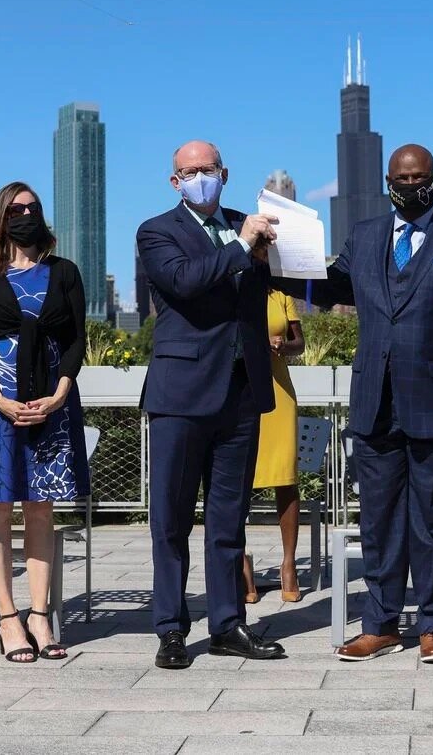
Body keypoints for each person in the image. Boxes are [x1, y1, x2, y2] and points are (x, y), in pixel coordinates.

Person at [279, 143, 433, 664]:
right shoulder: (366, 235)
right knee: (378, 521)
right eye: (401, 178)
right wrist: (279, 260)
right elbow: (330, 289)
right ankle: (380, 624)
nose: (410, 185)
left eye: (419, 177)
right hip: (373, 401)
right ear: (387, 181)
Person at [138, 140, 284, 668]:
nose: (201, 177)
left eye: (209, 169)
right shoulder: (157, 231)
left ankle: (227, 624)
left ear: (226, 173)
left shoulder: (249, 224)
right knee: (171, 520)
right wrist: (243, 247)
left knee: (229, 519)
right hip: (181, 393)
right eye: (189, 171)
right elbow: (184, 282)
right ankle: (172, 630)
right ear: (174, 181)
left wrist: (267, 253)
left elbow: (270, 287)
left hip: (241, 389)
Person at [0, 182, 92, 662]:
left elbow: (75, 339)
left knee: (41, 508)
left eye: (33, 208)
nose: (25, 215)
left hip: (51, 400)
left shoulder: (64, 271)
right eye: (16, 209)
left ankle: (40, 614)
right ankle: (8, 618)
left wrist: (60, 391)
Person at [242, 288, 307, 604]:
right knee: (236, 480)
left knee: (286, 479)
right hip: (241, 390)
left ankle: (289, 564)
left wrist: (283, 346)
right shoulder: (232, 288)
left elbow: (300, 343)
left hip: (280, 394)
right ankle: (239, 563)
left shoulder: (281, 293)